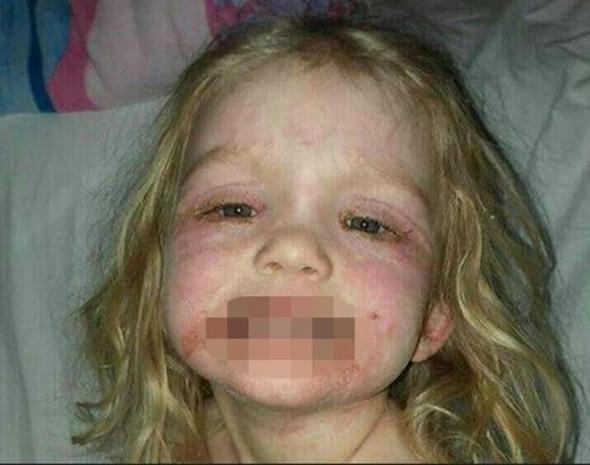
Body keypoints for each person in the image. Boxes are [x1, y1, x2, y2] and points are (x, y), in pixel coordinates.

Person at [68, 11, 583, 463]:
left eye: (367, 223)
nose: (293, 249)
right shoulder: (191, 439)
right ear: (159, 266)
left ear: (435, 313)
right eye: (233, 209)